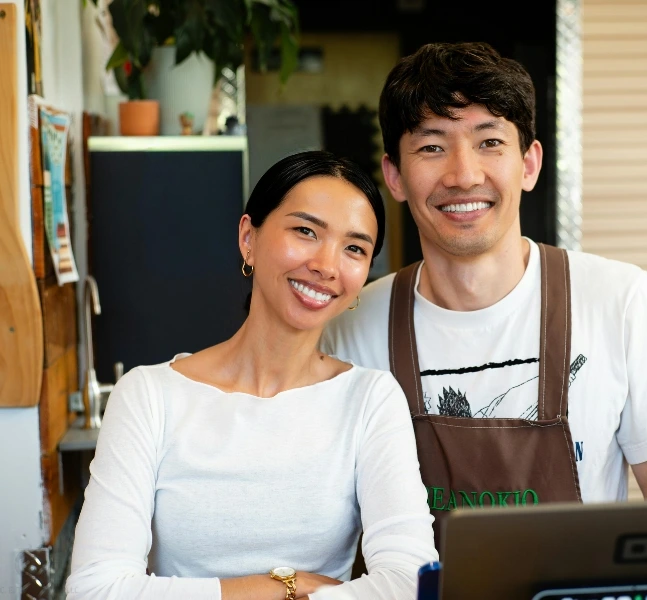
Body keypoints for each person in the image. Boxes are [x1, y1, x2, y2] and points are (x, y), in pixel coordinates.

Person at [321, 42, 647, 544]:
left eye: (489, 142)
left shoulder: (618, 299)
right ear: (395, 177)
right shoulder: (350, 329)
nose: (464, 175)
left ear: (529, 164)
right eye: (432, 147)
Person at [67, 151, 437, 600]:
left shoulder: (370, 399)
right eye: (305, 231)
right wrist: (285, 586)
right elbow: (95, 589)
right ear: (249, 238)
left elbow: (410, 582)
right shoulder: (149, 396)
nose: (327, 265)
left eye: (354, 248)